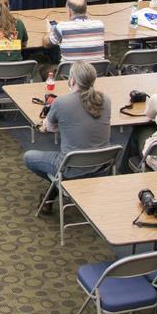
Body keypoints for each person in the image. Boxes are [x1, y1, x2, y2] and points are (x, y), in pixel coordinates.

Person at [22, 62, 112, 206]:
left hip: (71, 167)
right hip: (102, 166)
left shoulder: (61, 102)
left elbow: (49, 127)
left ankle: (60, 187)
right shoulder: (106, 100)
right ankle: (55, 190)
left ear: (72, 80)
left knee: (29, 157)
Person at [47, 0, 106, 65]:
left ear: (69, 11)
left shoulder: (61, 27)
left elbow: (47, 44)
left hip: (70, 74)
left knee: (44, 70)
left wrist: (49, 31)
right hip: (95, 73)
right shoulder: (99, 25)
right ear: (86, 9)